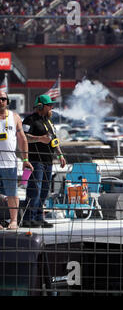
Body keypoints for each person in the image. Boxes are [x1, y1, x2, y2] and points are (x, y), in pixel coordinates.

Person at [22, 94, 66, 228]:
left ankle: (39, 217)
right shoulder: (29, 120)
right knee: (35, 190)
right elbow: (23, 137)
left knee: (45, 191)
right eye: (49, 105)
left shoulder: (49, 121)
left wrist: (60, 155)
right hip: (35, 160)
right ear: (40, 106)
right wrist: (40, 138)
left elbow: (54, 140)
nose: (52, 107)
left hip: (48, 161)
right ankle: (29, 218)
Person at [0, 91, 33, 230]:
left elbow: (22, 139)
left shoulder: (15, 117)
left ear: (7, 101)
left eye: (3, 98)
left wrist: (25, 159)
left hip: (9, 162)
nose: (0, 101)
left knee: (12, 192)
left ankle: (13, 220)